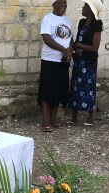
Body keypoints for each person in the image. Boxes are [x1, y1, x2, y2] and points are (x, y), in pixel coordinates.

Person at [38, 0, 73, 132]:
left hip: (63, 61)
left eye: (64, 2)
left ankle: (53, 118)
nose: (63, 5)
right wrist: (64, 50)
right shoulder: (48, 19)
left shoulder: (67, 20)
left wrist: (70, 51)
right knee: (47, 91)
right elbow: (47, 39)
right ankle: (45, 120)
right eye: (59, 2)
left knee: (59, 90)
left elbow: (71, 39)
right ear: (53, 4)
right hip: (49, 60)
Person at [68, 1, 102, 126]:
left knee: (88, 87)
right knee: (75, 86)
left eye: (84, 6)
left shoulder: (96, 24)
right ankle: (74, 116)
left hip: (88, 62)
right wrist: (75, 49)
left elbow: (94, 47)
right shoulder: (82, 22)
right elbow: (77, 40)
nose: (82, 8)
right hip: (79, 60)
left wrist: (79, 45)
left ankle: (90, 117)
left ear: (90, 9)